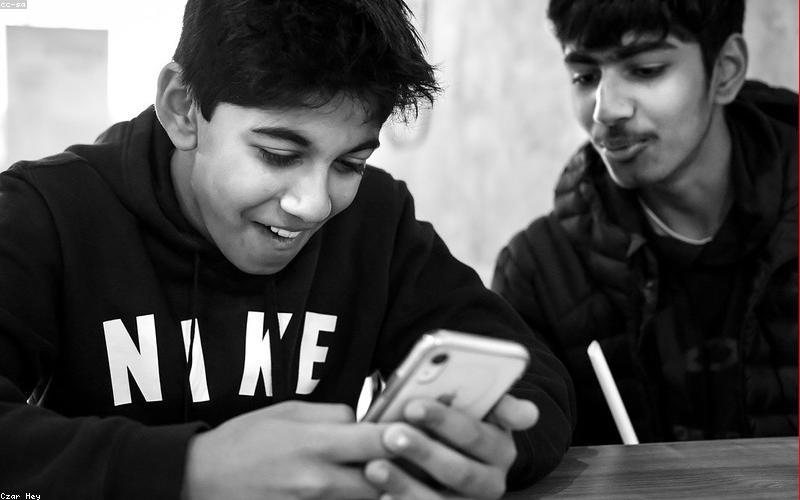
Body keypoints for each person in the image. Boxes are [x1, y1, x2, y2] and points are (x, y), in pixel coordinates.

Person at [0, 1, 575, 498]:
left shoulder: (375, 222)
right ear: (182, 108)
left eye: (350, 163)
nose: (314, 204)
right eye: (278, 154)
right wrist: (189, 470)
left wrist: (489, 445)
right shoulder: (45, 212)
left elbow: (534, 381)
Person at [493, 0, 796, 446]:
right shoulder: (538, 271)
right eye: (585, 76)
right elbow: (522, 453)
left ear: (726, 71)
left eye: (646, 70)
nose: (606, 110)